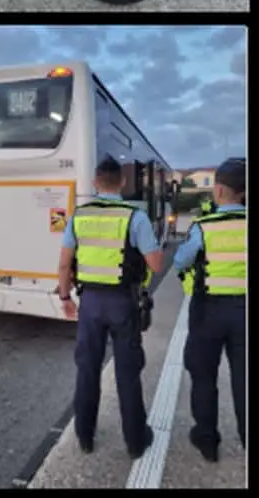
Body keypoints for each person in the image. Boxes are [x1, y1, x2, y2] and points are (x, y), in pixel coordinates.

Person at [57, 156, 163, 457]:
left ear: (94, 183)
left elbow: (65, 263)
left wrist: (65, 298)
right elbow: (155, 263)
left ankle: (85, 437)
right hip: (123, 303)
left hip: (89, 303)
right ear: (123, 183)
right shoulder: (135, 217)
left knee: (87, 370)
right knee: (128, 373)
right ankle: (135, 441)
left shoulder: (79, 216)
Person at [174, 157, 246, 462]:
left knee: (204, 377)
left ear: (218, 191)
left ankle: (208, 442)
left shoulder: (204, 227)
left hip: (208, 312)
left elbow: (180, 262)